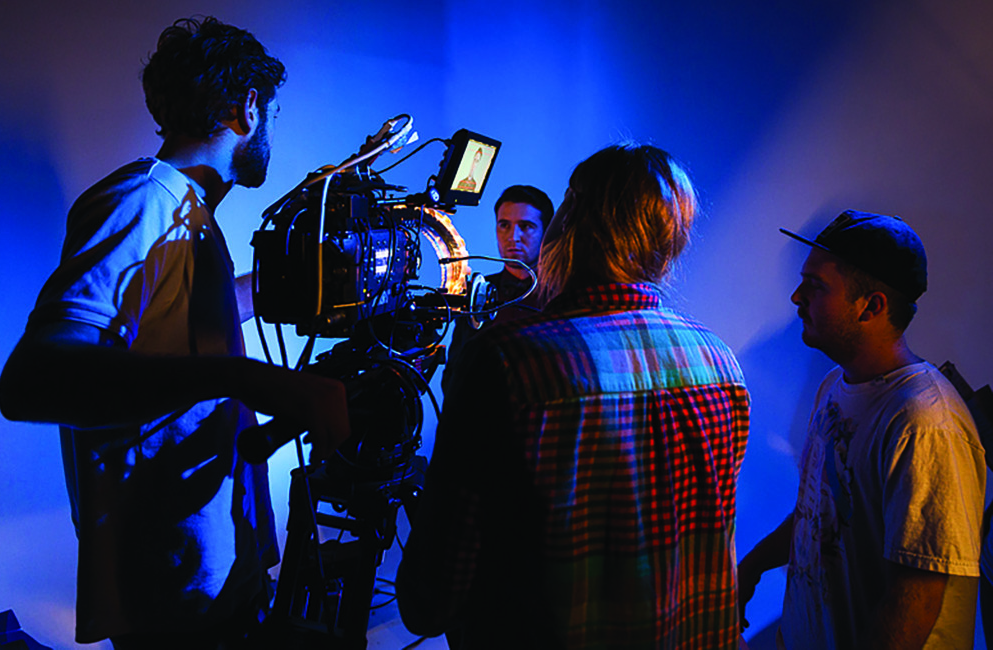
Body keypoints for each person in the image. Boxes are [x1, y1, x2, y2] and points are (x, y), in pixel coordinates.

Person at [0, 17, 349, 649]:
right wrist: (242, 376)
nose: (270, 128)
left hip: (215, 576)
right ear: (248, 108)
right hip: (173, 594)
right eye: (270, 112)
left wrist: (273, 290)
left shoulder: (189, 212)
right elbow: (32, 380)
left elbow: (171, 325)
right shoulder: (141, 203)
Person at [397, 142, 750, 648]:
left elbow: (430, 599)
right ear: (672, 241)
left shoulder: (510, 361)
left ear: (566, 227)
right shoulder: (722, 364)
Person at [738, 211, 985, 649]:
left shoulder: (926, 423)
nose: (797, 297)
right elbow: (821, 514)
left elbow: (918, 593)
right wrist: (754, 564)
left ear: (871, 306)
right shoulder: (835, 386)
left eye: (815, 286)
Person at [440, 184, 553, 394]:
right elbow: (454, 374)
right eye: (504, 225)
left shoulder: (560, 294)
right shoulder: (476, 293)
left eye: (526, 226)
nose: (513, 237)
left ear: (546, 231)